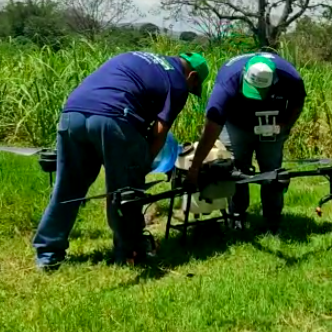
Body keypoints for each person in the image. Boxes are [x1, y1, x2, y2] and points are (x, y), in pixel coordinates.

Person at [32, 51, 209, 271]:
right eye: (194, 87)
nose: (189, 91)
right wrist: (142, 167)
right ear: (191, 76)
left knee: (67, 190)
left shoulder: (143, 58)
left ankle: (48, 255)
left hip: (72, 113)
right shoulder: (179, 83)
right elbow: (159, 133)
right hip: (114, 118)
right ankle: (129, 252)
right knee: (125, 194)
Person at [185, 52, 306, 234]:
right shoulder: (228, 80)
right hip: (236, 123)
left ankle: (273, 221)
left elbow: (298, 102)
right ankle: (237, 216)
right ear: (244, 76)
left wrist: (284, 124)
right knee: (235, 169)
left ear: (274, 81)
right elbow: (212, 125)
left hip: (272, 123)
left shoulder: (290, 77)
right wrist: (195, 166)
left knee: (272, 170)